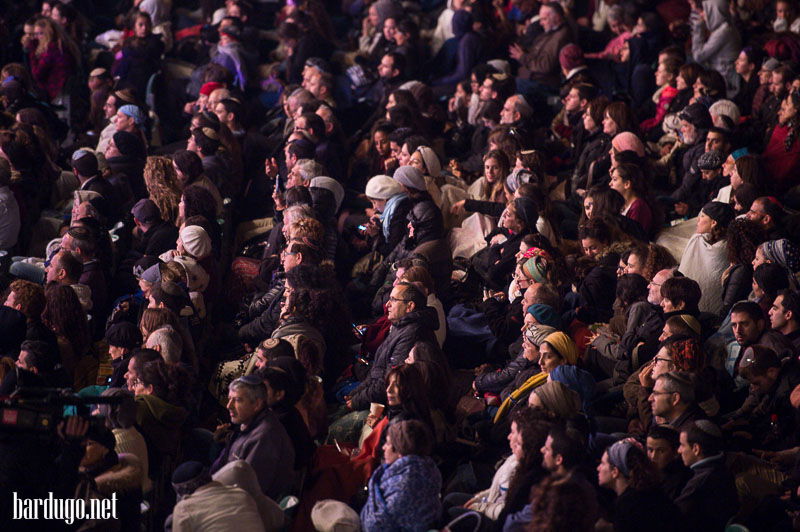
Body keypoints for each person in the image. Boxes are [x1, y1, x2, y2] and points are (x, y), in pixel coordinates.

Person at [211, 375, 295, 500]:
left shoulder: (265, 437)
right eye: (229, 399)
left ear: (257, 404)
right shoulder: (249, 422)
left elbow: (247, 491)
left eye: (237, 400)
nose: (229, 406)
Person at [597, 439, 683, 531]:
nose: (598, 468)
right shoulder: (651, 493)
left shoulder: (629, 505)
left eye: (602, 463)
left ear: (615, 471)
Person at [676, 421, 740, 531]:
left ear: (696, 449)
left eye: (682, 445)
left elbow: (673, 518)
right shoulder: (722, 468)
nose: (679, 450)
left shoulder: (699, 483)